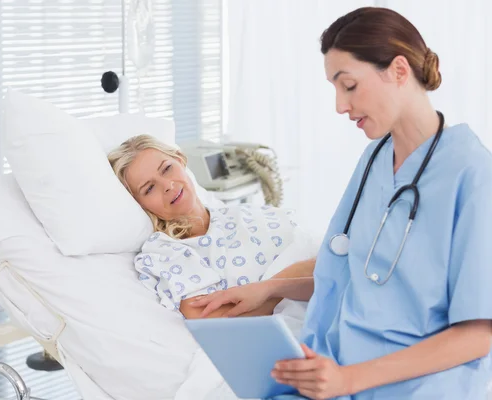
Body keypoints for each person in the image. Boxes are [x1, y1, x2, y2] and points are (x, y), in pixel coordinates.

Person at [191, 6, 492, 399]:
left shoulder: (472, 175)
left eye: (348, 85)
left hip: (417, 386)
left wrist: (349, 380)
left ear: (400, 71)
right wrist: (269, 290)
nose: (339, 105)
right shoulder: (375, 160)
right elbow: (359, 264)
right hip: (334, 370)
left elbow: (478, 335)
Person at [107, 134, 316, 319]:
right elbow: (215, 321)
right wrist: (287, 281)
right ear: (139, 204)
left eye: (167, 169)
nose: (168, 185)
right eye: (149, 188)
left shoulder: (245, 213)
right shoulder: (167, 254)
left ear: (181, 160)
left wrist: (275, 287)